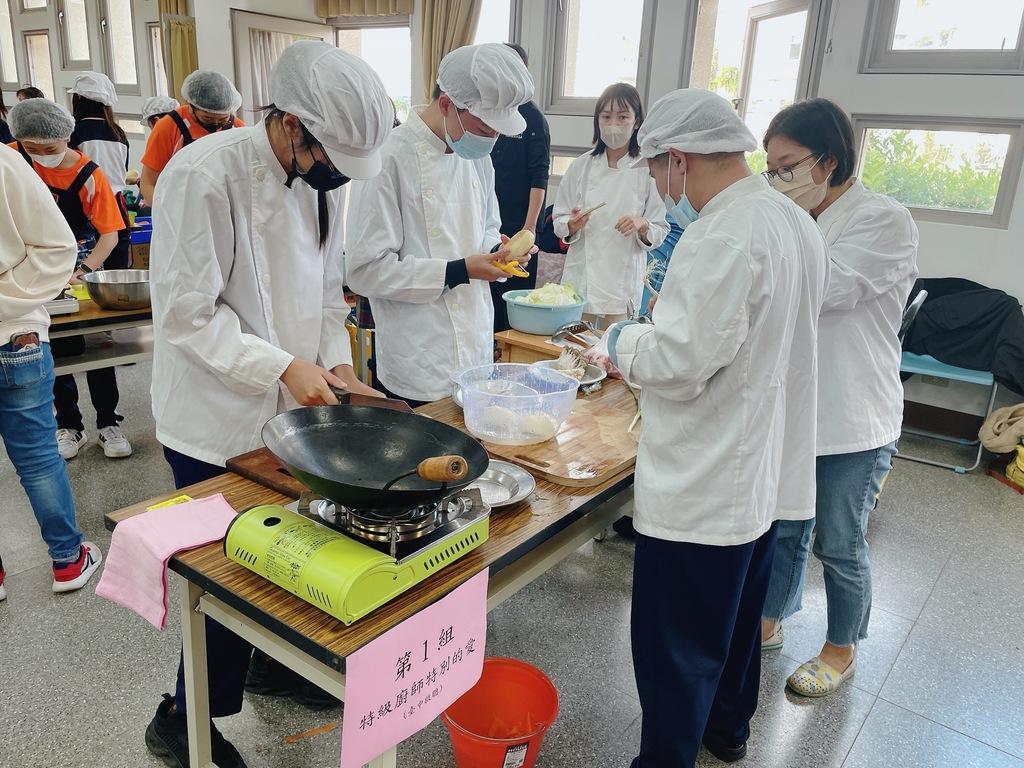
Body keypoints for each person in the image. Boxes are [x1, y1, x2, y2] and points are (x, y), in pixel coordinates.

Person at [145, 40, 394, 767]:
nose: (334, 177)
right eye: (328, 158)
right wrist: (285, 366)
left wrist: (336, 367)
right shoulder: (202, 176)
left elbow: (323, 291)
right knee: (223, 577)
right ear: (290, 125)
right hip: (211, 420)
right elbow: (187, 315)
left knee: (279, 555)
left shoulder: (321, 182)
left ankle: (269, 662)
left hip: (291, 406)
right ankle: (180, 718)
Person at [596, 88, 829, 767]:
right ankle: (727, 732)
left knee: (678, 651)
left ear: (677, 159)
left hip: (705, 485)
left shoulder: (723, 232)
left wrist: (622, 339)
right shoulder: (791, 220)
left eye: (658, 175)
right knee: (731, 631)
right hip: (759, 476)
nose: (664, 193)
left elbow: (677, 363)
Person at [760, 98, 919, 697]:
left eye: (786, 166)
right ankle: (771, 620)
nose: (776, 179)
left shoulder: (884, 219)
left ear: (826, 162)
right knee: (783, 526)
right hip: (798, 407)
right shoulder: (797, 212)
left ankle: (841, 648)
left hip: (854, 415)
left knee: (838, 540)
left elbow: (823, 290)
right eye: (769, 168)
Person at [346, 43, 536, 406]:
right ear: (447, 104)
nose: (491, 139)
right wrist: (459, 271)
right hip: (418, 357)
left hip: (476, 346)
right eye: (485, 127)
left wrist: (499, 254)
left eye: (498, 131)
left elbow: (487, 225)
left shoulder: (475, 154)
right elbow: (364, 271)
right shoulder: (389, 158)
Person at [0, 143, 103, 600]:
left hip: (12, 328)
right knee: (39, 457)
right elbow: (58, 247)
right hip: (15, 334)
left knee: (40, 457)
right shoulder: (3, 161)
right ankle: (68, 560)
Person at [8, 98, 133, 461]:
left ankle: (109, 423)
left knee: (97, 349)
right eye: (32, 149)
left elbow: (110, 233)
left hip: (79, 263)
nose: (41, 155)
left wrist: (85, 270)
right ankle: (69, 426)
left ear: (67, 137)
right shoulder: (11, 161)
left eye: (50, 148)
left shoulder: (88, 173)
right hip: (29, 267)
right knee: (58, 348)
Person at [553, 83, 668, 329]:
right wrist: (571, 225)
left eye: (622, 116)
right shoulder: (580, 167)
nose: (613, 123)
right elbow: (558, 220)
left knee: (612, 358)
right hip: (581, 282)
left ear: (636, 122)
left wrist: (642, 224)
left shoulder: (648, 168)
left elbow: (660, 229)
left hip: (621, 287)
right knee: (573, 357)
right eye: (606, 117)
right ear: (598, 121)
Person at [488, 42, 550, 333]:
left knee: (514, 301)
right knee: (490, 297)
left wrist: (529, 228)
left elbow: (540, 176)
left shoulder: (532, 116)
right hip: (491, 221)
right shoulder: (489, 111)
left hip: (519, 224)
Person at [140, 70, 244, 205]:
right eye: (208, 118)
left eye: (223, 119)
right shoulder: (169, 127)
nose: (216, 123)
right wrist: (164, 214)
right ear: (191, 105)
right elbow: (148, 182)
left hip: (222, 207)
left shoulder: (237, 128)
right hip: (179, 205)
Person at [68, 71, 131, 269]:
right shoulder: (118, 132)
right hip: (116, 204)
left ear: (77, 98)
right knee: (116, 266)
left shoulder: (74, 132)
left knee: (86, 266)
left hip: (86, 206)